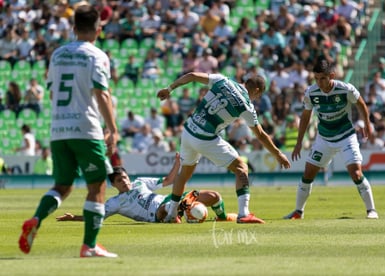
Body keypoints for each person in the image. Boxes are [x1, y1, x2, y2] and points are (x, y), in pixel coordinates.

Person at [18, 5, 119, 258]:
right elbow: (102, 92)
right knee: (96, 187)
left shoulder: (58, 54)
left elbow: (52, 92)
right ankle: (90, 245)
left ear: (73, 28)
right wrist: (113, 130)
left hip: (58, 129)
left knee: (62, 185)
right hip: (86, 128)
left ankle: (36, 218)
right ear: (98, 30)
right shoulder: (97, 56)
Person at [157, 72, 291, 224]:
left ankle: (172, 215)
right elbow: (260, 135)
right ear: (257, 91)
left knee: (184, 173)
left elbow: (192, 75)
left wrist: (169, 88)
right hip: (204, 137)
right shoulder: (246, 105)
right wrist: (278, 154)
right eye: (258, 96)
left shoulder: (222, 80)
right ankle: (243, 213)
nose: (256, 99)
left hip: (188, 131)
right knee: (241, 167)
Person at [284, 58, 378, 220]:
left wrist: (367, 124)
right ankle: (298, 211)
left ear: (331, 76)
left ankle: (371, 210)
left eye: (323, 78)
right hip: (324, 139)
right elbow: (305, 116)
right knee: (307, 174)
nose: (319, 82)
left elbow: (361, 104)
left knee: (356, 173)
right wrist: (299, 142)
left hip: (346, 136)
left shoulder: (345, 89)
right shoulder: (311, 93)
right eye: (316, 78)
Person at [56, 153, 237, 223]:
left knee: (214, 195)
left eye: (125, 177)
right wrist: (73, 217)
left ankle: (220, 218)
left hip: (169, 200)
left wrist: (176, 163)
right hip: (157, 213)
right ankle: (184, 211)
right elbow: (97, 216)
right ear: (114, 185)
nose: (125, 182)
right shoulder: (116, 202)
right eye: (120, 181)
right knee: (166, 211)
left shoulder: (140, 182)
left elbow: (167, 181)